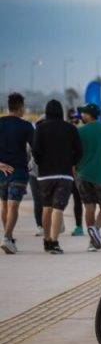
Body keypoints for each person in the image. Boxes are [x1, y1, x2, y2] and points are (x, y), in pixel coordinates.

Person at [32, 100, 82, 254]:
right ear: (62, 112)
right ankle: (54, 242)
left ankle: (46, 240)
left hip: (45, 175)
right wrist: (71, 162)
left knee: (46, 207)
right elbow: (79, 151)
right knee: (58, 208)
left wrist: (42, 164)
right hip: (64, 174)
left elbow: (35, 151)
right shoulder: (70, 129)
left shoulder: (40, 129)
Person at [75, 103, 101, 251]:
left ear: (88, 115)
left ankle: (92, 242)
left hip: (83, 173)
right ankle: (96, 230)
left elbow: (75, 154)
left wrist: (75, 171)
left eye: (83, 113)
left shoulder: (80, 131)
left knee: (89, 207)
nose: (81, 116)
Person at [0, 93, 36, 254]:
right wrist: (31, 164)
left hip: (1, 172)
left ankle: (9, 237)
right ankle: (7, 237)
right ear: (21, 107)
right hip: (19, 171)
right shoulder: (26, 126)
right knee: (13, 205)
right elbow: (36, 148)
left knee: (5, 205)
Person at [67, 111, 85, 236]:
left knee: (78, 200)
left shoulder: (83, 133)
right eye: (72, 120)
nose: (74, 122)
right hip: (67, 170)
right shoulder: (67, 132)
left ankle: (79, 225)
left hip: (79, 171)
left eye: (76, 120)